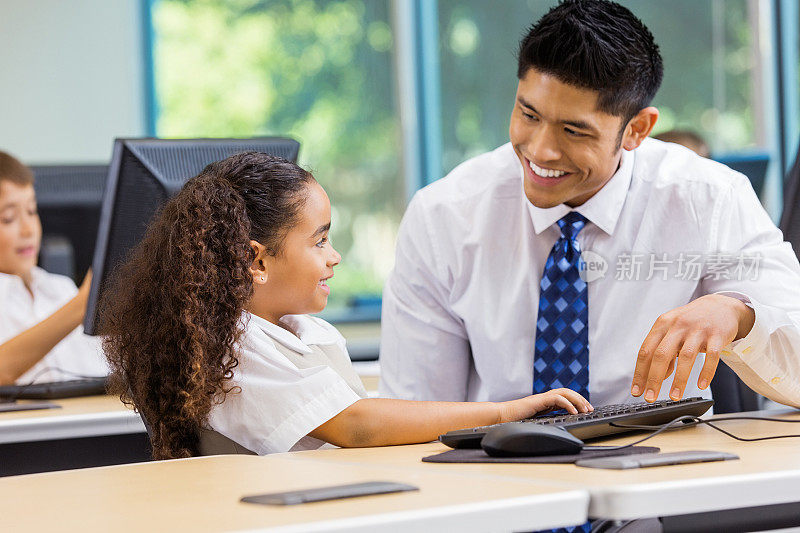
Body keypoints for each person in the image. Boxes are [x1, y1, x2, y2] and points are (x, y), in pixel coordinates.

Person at [379, 0, 800, 410]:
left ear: (636, 129)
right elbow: (414, 413)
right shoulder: (444, 216)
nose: (541, 151)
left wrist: (738, 314)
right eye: (528, 114)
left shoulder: (709, 198)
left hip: (667, 463)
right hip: (499, 465)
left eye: (573, 131)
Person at [99, 152, 591, 460]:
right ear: (256, 260)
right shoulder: (234, 345)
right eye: (319, 241)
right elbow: (354, 424)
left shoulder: (295, 332)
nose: (334, 257)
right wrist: (504, 411)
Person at [0, 151, 107, 385]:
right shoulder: (76, 301)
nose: (28, 230)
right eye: (8, 218)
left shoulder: (60, 289)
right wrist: (83, 304)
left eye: (31, 211)